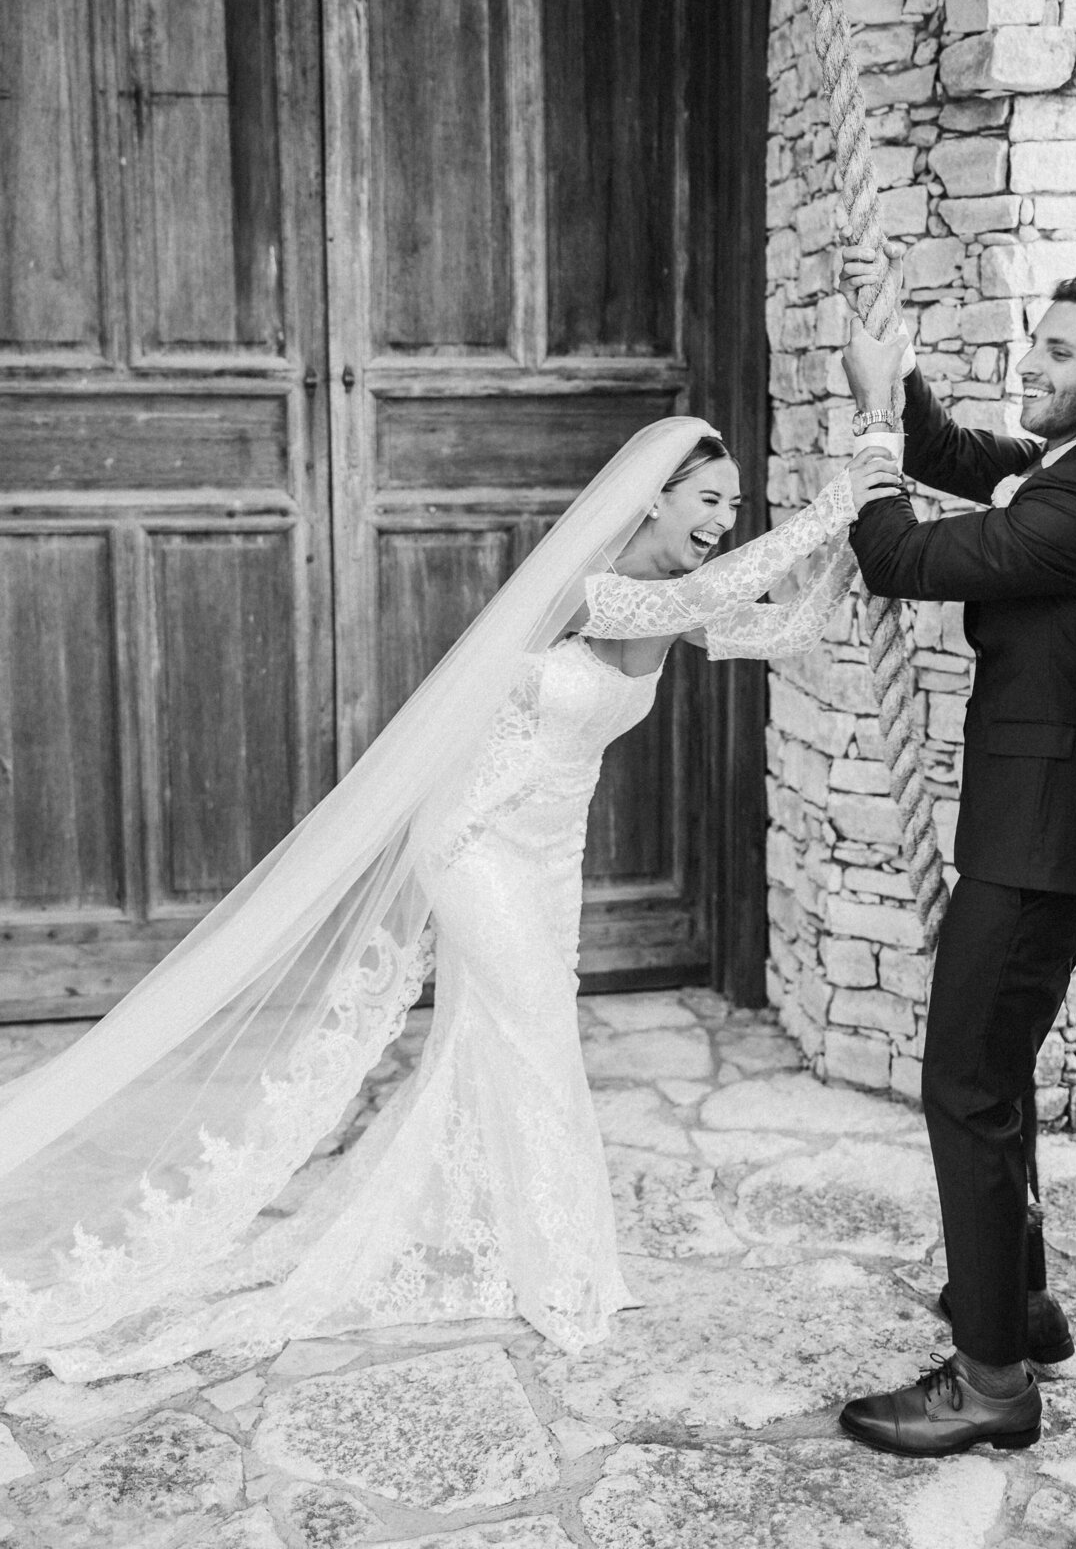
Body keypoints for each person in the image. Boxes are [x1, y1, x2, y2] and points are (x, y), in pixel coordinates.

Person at [0, 415, 899, 1380]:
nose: (723, 519)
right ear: (651, 498)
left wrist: (864, 532)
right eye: (709, 500)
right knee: (538, 1029)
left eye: (733, 506)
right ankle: (562, 1270)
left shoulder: (671, 605)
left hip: (550, 850)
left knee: (499, 1035)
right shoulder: (590, 592)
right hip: (474, 840)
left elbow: (782, 622)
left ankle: (512, 1238)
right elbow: (719, 587)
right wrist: (847, 485)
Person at [834, 254, 1076, 1457]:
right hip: (1052, 815)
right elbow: (965, 465)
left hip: (1046, 830)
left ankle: (988, 1385)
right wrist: (898, 372)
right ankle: (1019, 1308)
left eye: (1057, 353)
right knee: (996, 1072)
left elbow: (902, 558)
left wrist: (873, 429)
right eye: (1037, 342)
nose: (1030, 363)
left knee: (964, 1084)